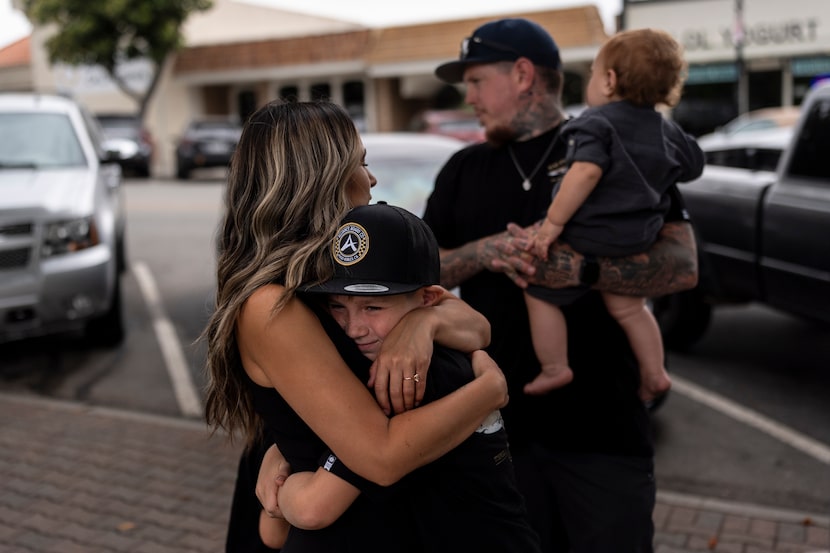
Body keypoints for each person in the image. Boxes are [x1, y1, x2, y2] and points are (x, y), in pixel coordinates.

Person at [423, 17, 700, 553]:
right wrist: (486, 252)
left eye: (477, 81)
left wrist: (584, 270)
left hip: (604, 435)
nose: (469, 97)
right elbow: (423, 273)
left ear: (523, 75)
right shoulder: (464, 167)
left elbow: (684, 264)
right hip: (496, 435)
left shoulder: (616, 139)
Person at [204, 100, 508, 552]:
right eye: (361, 163)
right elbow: (380, 457)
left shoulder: (333, 276)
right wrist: (489, 391)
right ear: (319, 178)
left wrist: (421, 324)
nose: (372, 179)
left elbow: (477, 328)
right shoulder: (271, 304)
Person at [259, 202, 542, 552]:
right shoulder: (387, 363)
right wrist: (283, 451)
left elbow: (308, 511)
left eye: (373, 307)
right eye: (337, 307)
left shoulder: (408, 380)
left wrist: (284, 487)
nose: (353, 328)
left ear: (429, 299)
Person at [522, 28, 704, 400]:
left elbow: (585, 172)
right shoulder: (667, 131)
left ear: (609, 80)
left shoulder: (596, 122)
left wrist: (551, 226)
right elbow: (694, 166)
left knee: (537, 290)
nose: (590, 81)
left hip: (589, 233)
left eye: (592, 73)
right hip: (639, 239)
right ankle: (655, 373)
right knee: (630, 309)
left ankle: (555, 366)